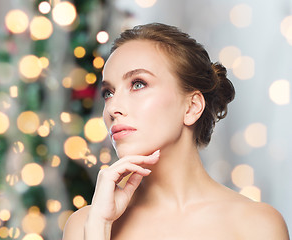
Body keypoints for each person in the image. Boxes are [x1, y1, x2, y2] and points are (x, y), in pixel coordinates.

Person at [62, 23, 290, 239]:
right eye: (108, 92)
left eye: (138, 84)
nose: (112, 108)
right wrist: (98, 226)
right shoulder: (86, 224)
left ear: (192, 107)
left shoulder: (257, 224)